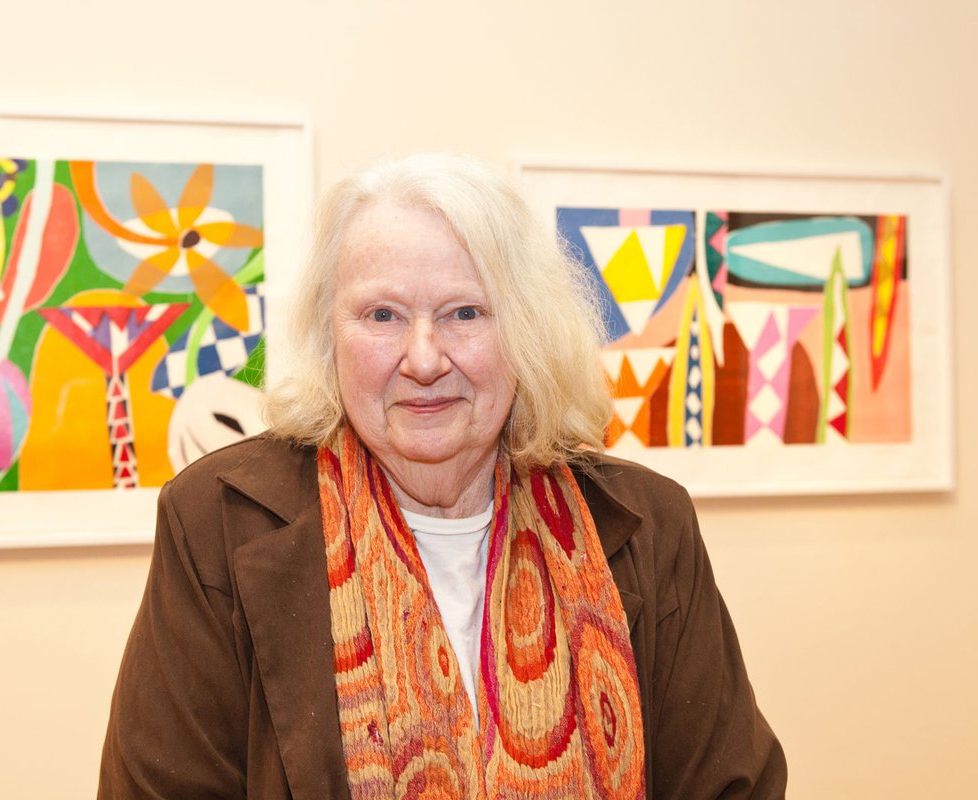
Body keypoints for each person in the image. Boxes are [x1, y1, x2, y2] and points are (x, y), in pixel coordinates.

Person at [98, 153, 787, 799]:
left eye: (465, 313)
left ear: (526, 331)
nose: (423, 358)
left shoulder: (647, 522)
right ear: (326, 333)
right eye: (382, 315)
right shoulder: (220, 518)